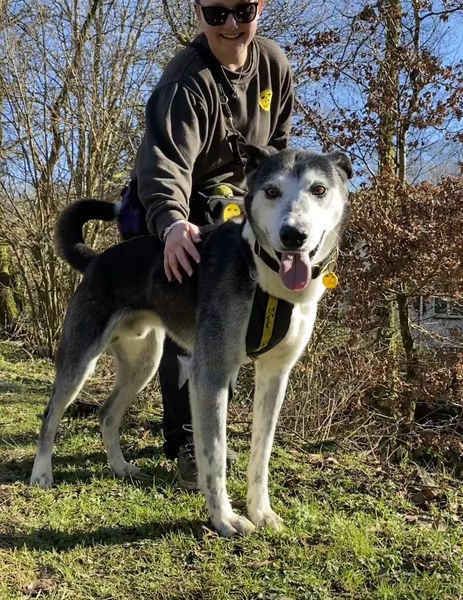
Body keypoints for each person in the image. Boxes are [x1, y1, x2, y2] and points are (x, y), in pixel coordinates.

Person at [132, 0, 294, 489]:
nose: (229, 25)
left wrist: (275, 203)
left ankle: (238, 440)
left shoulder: (274, 65)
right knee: (194, 322)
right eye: (215, 12)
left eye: (242, 11)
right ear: (198, 12)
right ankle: (187, 443)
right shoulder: (185, 81)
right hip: (188, 208)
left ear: (259, 8)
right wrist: (173, 225)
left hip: (248, 205)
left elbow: (280, 146)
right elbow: (165, 164)